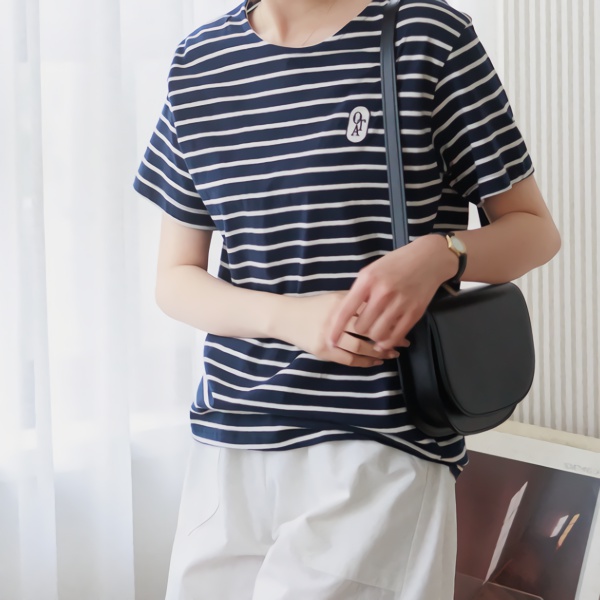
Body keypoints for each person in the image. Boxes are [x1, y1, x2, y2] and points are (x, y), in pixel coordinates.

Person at [134, 0, 561, 597]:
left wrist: (442, 252)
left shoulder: (426, 36)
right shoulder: (200, 61)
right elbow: (175, 277)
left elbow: (535, 231)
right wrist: (291, 319)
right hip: (228, 440)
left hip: (377, 442)